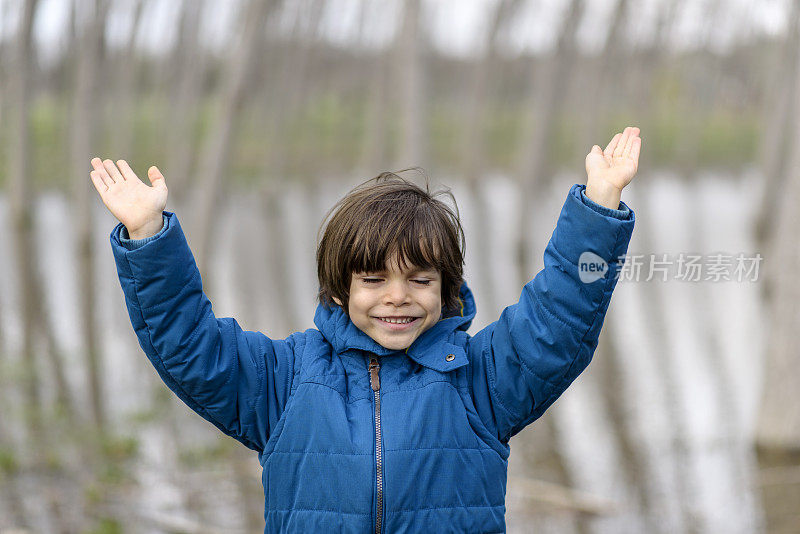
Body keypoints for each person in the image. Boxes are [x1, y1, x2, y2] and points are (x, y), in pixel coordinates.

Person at [89, 126, 641, 533]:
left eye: (420, 280)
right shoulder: (286, 381)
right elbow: (190, 346)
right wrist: (147, 233)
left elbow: (557, 321)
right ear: (338, 289)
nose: (397, 297)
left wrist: (599, 206)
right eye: (374, 279)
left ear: (445, 290)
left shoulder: (480, 380)